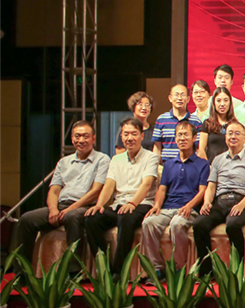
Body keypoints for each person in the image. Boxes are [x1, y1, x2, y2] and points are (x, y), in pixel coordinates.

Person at [8, 120, 109, 268]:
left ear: (93, 138)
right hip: (61, 205)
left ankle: (74, 272)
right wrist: (53, 209)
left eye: (85, 136)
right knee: (26, 219)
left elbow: (96, 191)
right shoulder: (63, 162)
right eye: (77, 136)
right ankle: (22, 272)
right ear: (72, 139)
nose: (81, 140)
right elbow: (54, 190)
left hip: (85, 207)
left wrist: (71, 209)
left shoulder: (102, 159)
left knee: (72, 216)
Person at [84, 118, 160, 275]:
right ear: (121, 137)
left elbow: (146, 185)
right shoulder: (116, 159)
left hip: (141, 204)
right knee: (92, 219)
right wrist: (99, 205)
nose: (129, 138)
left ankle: (118, 272)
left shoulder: (151, 157)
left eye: (134, 134)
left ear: (142, 136)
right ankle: (104, 267)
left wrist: (132, 203)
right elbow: (109, 185)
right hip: (118, 204)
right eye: (126, 134)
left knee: (125, 217)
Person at [141, 121, 210, 275]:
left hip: (189, 209)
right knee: (148, 223)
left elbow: (202, 191)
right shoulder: (169, 164)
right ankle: (157, 268)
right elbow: (162, 188)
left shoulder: (203, 164)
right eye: (179, 135)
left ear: (194, 138)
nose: (182, 138)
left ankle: (178, 269)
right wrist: (157, 205)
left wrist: (189, 206)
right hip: (168, 207)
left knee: (177, 224)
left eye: (186, 135)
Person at [191, 119, 245, 272]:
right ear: (225, 137)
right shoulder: (218, 159)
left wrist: (241, 205)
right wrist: (207, 202)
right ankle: (206, 270)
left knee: (233, 225)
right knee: (199, 224)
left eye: (237, 133)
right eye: (230, 133)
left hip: (240, 202)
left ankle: (238, 270)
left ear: (244, 138)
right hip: (219, 202)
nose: (233, 136)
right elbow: (211, 185)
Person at [152, 84, 202, 164]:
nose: (179, 98)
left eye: (182, 95)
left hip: (189, 164)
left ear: (188, 99)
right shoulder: (161, 119)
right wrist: (157, 166)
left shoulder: (196, 121)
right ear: (170, 98)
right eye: (176, 95)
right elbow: (157, 147)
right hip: (167, 164)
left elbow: (198, 148)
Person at [198, 87, 236, 162]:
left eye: (226, 100)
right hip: (211, 166)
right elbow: (201, 150)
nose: (222, 104)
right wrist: (208, 166)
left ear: (230, 102)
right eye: (218, 100)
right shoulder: (207, 124)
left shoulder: (235, 124)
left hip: (231, 166)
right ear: (214, 103)